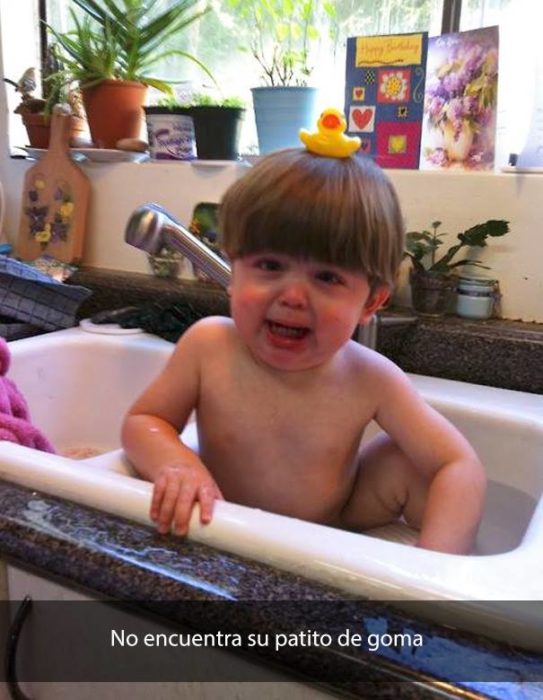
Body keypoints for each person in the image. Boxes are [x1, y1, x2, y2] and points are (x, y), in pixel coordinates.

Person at [121, 139, 486, 555]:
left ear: (371, 302)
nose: (293, 296)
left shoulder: (371, 378)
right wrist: (178, 465)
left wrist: (434, 575)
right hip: (224, 523)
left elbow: (458, 465)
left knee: (410, 462)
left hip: (332, 524)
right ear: (232, 270)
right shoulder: (210, 345)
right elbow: (144, 421)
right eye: (270, 266)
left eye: (327, 278)